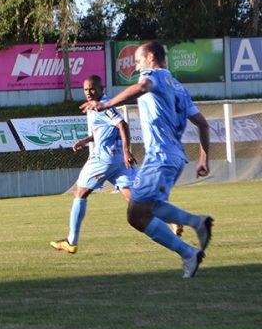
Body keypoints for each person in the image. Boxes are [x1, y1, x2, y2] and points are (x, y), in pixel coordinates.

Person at [80, 40, 213, 278]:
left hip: (160, 156)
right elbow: (202, 123)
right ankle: (195, 231)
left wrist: (106, 104)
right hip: (174, 158)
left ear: (151, 57)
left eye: (139, 61)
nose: (138, 67)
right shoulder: (179, 88)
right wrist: (204, 159)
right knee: (144, 209)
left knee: (136, 215)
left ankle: (190, 246)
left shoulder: (155, 75)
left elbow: (142, 86)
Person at [50, 75, 137, 254]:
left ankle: (71, 241)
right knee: (132, 198)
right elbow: (105, 131)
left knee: (80, 192)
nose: (89, 92)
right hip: (118, 159)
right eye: (86, 89)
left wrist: (128, 151)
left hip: (104, 159)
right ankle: (171, 220)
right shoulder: (94, 107)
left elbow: (123, 125)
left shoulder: (102, 106)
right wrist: (85, 140)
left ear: (101, 88)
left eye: (92, 88)